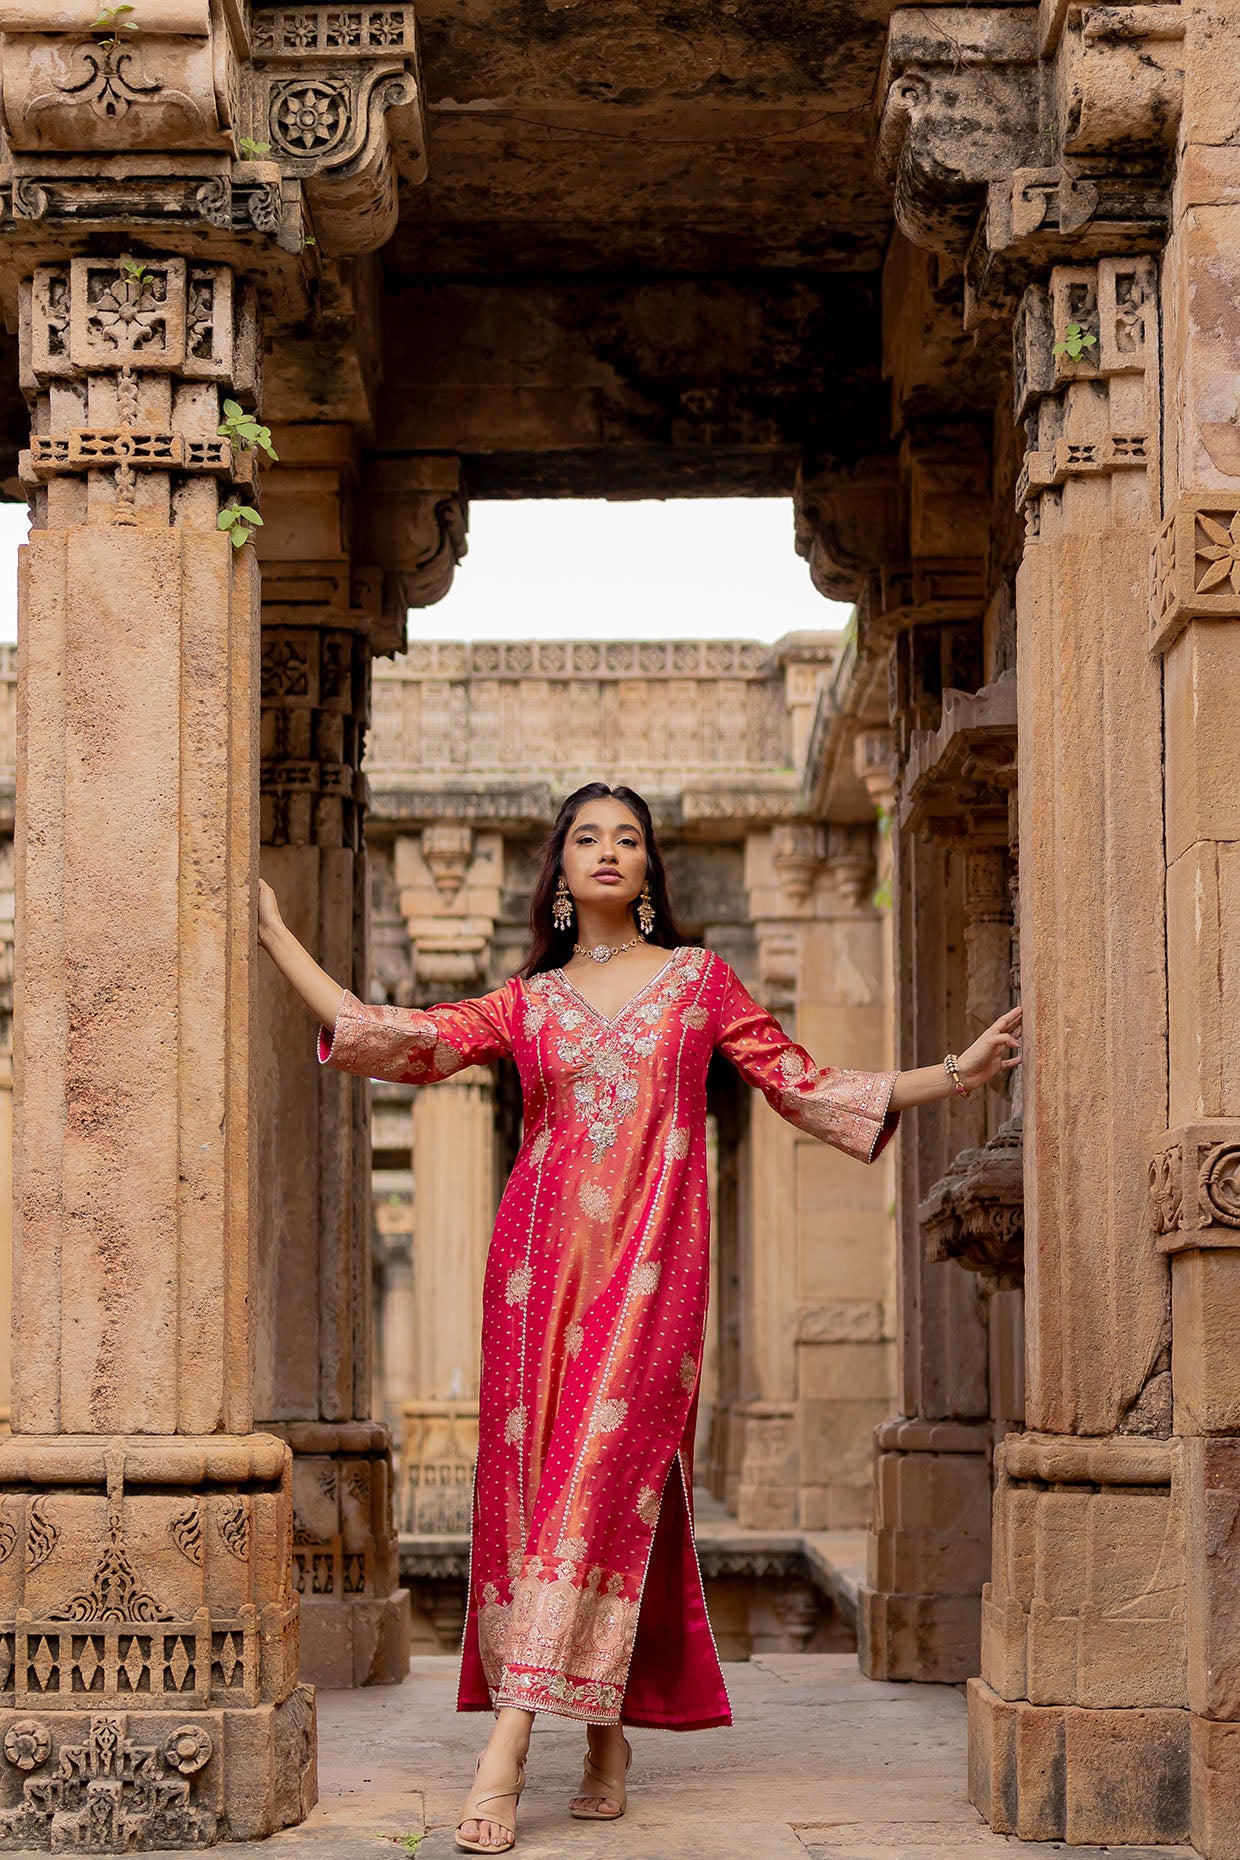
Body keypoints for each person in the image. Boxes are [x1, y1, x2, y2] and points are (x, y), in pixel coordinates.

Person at [258, 781, 1021, 1855]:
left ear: (650, 869)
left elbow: (803, 1084)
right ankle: (606, 1736)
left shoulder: (699, 984)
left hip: (652, 1271)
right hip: (534, 1278)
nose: (608, 851)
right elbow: (391, 1037)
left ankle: (507, 1749)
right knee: (556, 1491)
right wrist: (276, 934)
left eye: (627, 837)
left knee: (596, 1477)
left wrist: (954, 1073)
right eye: (586, 837)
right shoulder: (525, 1004)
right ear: (560, 871)